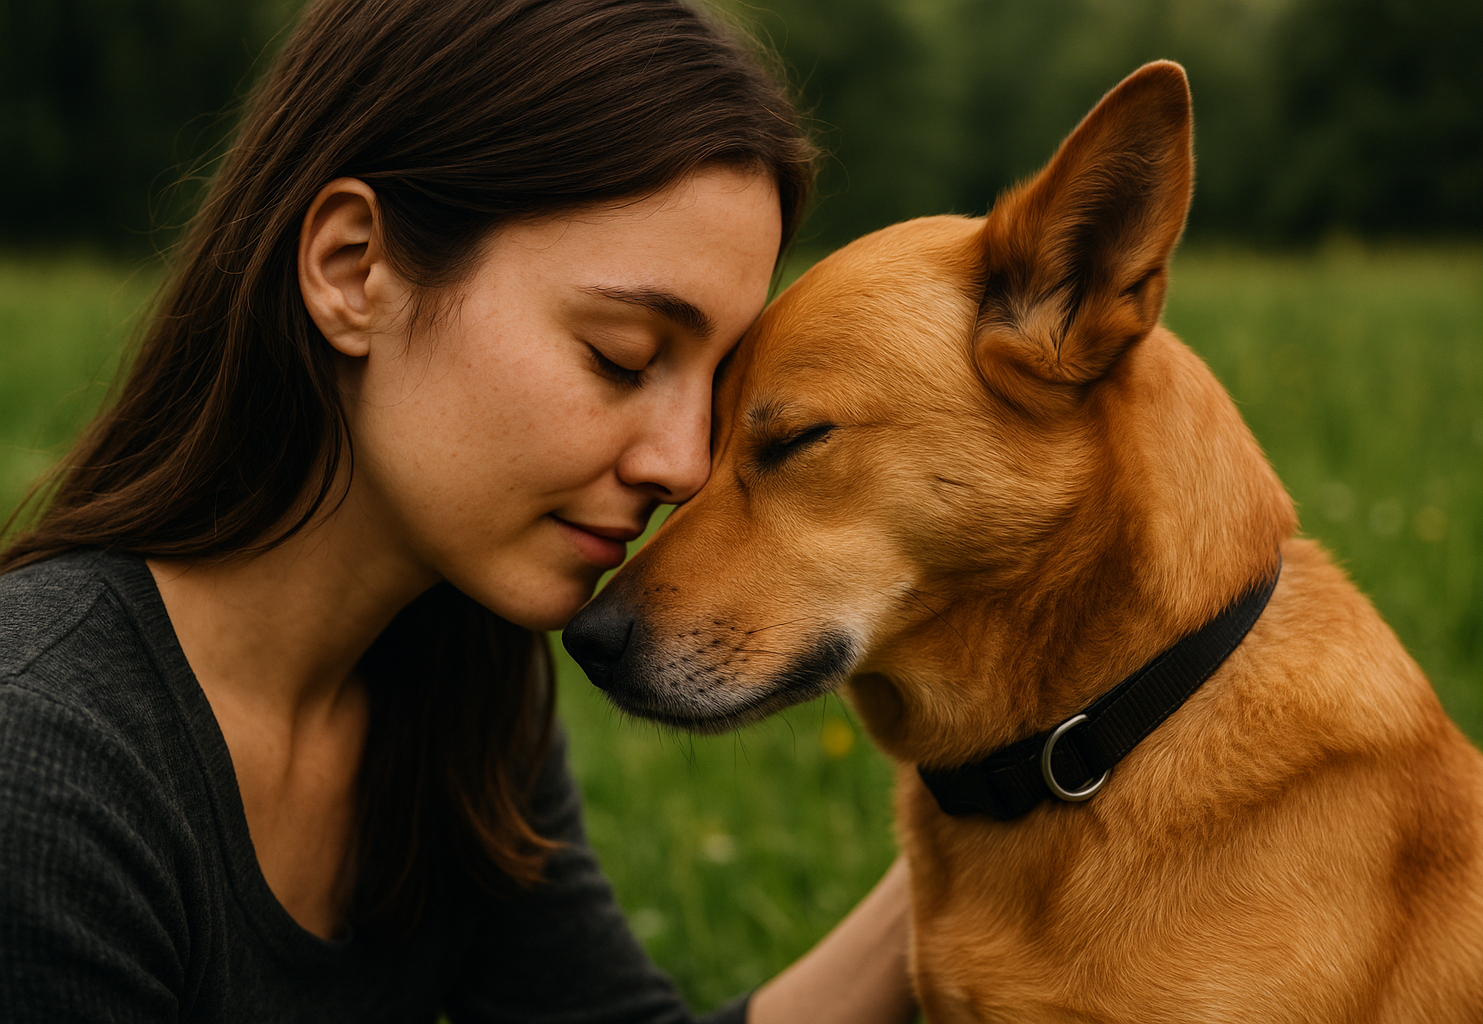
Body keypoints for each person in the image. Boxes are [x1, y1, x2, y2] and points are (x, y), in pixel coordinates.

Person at [0, 0, 915, 1020]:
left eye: (712, 384)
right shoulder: (40, 767)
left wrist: (987, 806)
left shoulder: (453, 681)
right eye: (623, 355)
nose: (686, 463)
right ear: (354, 270)